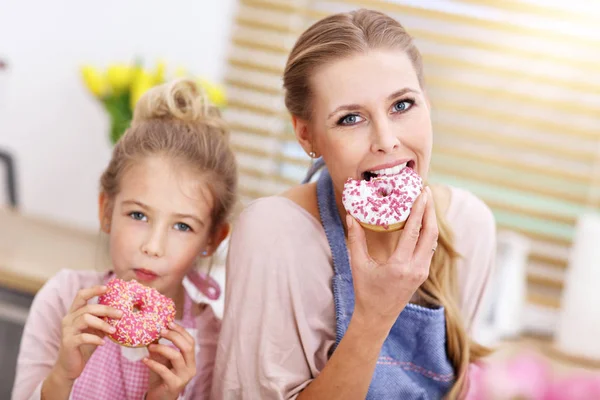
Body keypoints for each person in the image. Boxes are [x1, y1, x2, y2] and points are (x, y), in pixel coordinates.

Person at [211, 8, 496, 400]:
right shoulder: (275, 233)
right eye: (349, 119)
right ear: (306, 135)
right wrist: (374, 316)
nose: (386, 139)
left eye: (402, 105)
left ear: (427, 105)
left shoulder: (470, 224)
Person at [12, 79, 238, 400]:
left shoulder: (211, 343)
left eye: (183, 226)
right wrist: (62, 376)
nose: (153, 246)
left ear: (212, 239)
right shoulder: (62, 300)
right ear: (106, 211)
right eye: (138, 216)